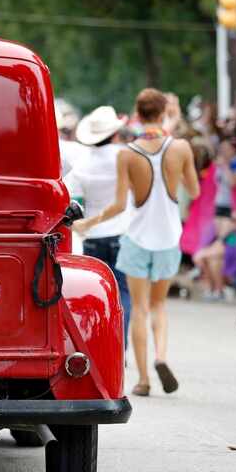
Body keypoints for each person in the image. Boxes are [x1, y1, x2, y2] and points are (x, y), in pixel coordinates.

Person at [73, 88, 200, 397]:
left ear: (137, 114)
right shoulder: (180, 148)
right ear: (161, 112)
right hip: (169, 237)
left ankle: (143, 379)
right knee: (159, 306)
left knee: (139, 308)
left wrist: (89, 222)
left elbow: (118, 205)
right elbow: (194, 192)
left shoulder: (127, 153)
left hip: (137, 236)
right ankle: (161, 357)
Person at [65, 106, 133, 345]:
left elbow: (74, 201)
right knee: (123, 291)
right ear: (115, 133)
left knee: (100, 295)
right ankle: (120, 347)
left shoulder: (82, 164)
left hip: (93, 235)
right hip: (122, 232)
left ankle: (102, 344)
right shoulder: (125, 156)